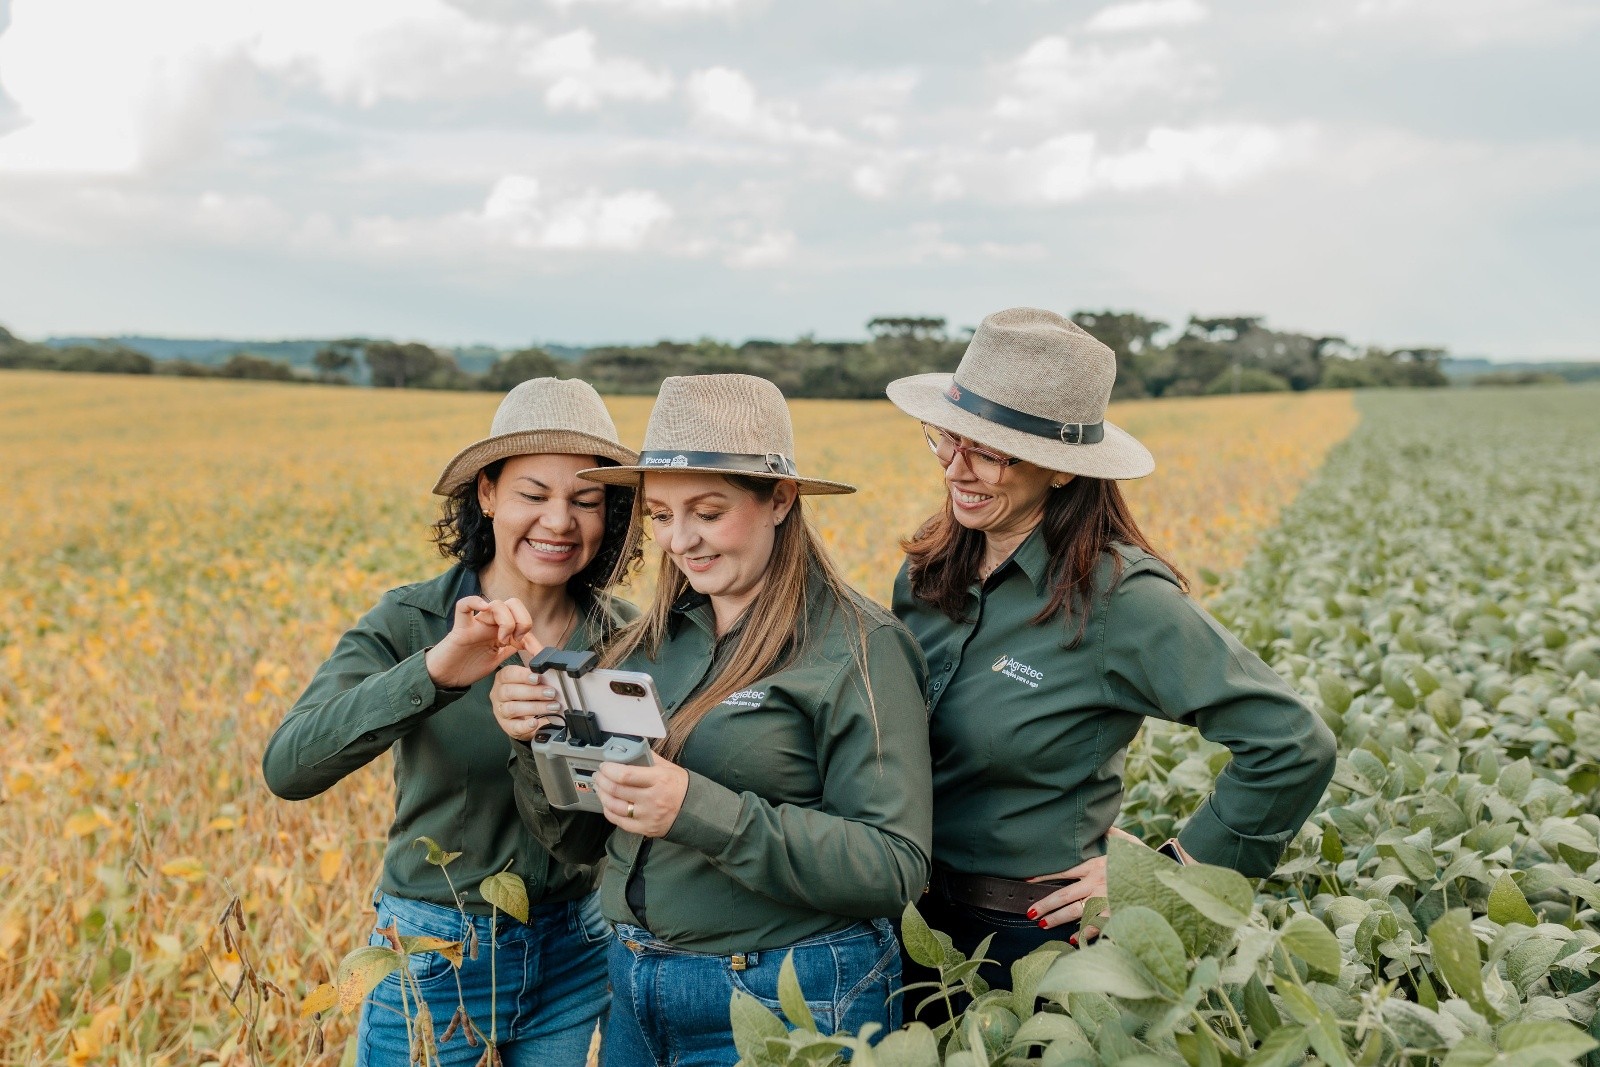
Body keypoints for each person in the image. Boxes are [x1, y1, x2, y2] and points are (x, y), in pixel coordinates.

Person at [884, 308, 1337, 1001]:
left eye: (989, 449)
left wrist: (1173, 871)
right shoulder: (925, 577)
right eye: (946, 438)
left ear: (1062, 470)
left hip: (1037, 948)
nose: (956, 467)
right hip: (909, 932)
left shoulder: (1121, 598)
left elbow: (1291, 743)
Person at [489, 373, 933, 1067]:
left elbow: (893, 866)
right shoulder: (646, 644)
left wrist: (695, 806)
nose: (680, 539)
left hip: (791, 996)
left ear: (780, 500)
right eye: (661, 514)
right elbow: (581, 838)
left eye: (707, 510)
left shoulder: (858, 645)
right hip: (635, 985)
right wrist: (535, 740)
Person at [263, 378, 641, 1066]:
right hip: (432, 950)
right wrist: (436, 671)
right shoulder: (411, 620)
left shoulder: (625, 642)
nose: (560, 521)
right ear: (488, 493)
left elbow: (611, 819)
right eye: (534, 494)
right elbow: (289, 765)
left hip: (576, 947)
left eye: (586, 501)